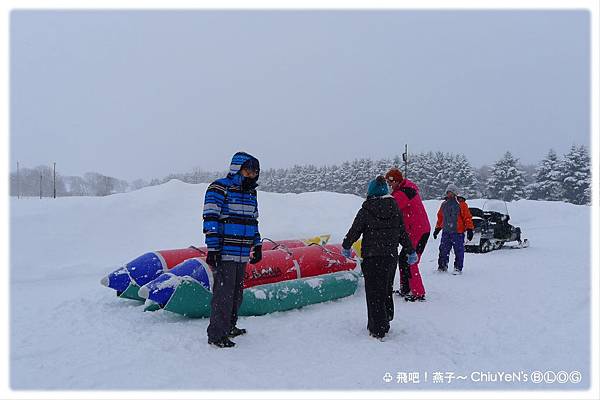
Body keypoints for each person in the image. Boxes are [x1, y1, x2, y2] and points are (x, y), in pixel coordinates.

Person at [341, 176, 417, 340]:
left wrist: (346, 246)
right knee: (386, 288)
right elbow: (402, 233)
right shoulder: (395, 208)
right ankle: (386, 319)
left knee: (373, 292)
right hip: (390, 257)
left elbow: (355, 231)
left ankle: (377, 328)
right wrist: (411, 250)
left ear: (371, 192)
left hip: (372, 257)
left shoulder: (366, 209)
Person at [203, 152, 263, 348]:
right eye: (248, 170)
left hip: (242, 252)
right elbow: (210, 217)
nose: (252, 175)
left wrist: (257, 244)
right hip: (224, 250)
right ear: (237, 169)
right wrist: (213, 249)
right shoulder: (219, 187)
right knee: (223, 295)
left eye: (255, 172)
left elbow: (253, 221)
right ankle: (217, 334)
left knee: (237, 294)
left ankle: (229, 327)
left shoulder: (250, 193)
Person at [384, 168, 431, 302]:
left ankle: (418, 293)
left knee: (411, 260)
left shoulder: (405, 192)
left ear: (397, 181)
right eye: (387, 183)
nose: (389, 185)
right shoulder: (403, 190)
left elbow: (390, 207)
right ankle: (405, 288)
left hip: (419, 231)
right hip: (414, 231)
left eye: (390, 182)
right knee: (404, 259)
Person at [433, 183, 474, 275]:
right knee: (443, 250)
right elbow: (440, 218)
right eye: (448, 192)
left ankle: (458, 268)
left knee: (459, 251)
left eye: (451, 192)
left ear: (455, 193)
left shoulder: (461, 204)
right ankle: (442, 267)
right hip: (446, 232)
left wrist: (470, 229)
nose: (449, 194)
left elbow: (467, 217)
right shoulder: (444, 204)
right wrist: (437, 229)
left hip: (458, 233)